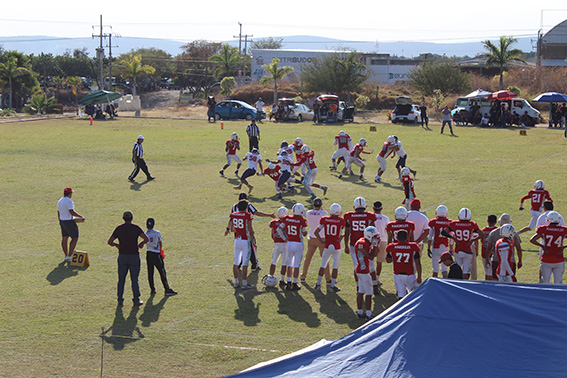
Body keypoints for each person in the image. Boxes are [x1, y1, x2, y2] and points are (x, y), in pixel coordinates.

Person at [108, 211, 149, 306]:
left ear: (123, 218)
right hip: (134, 255)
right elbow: (146, 239)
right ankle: (136, 299)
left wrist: (116, 245)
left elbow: (110, 241)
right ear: (132, 218)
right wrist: (141, 244)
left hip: (122, 255)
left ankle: (120, 299)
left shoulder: (119, 229)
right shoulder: (135, 228)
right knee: (134, 279)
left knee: (121, 279)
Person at [344, 197, 380, 293]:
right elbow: (374, 231)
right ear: (365, 206)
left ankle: (358, 287)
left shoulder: (349, 216)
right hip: (367, 243)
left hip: (354, 245)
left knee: (357, 265)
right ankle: (375, 285)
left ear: (354, 207)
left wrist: (346, 245)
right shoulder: (369, 216)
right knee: (371, 265)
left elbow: (347, 232)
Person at [231, 192, 274, 271]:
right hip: (246, 231)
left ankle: (238, 264)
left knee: (239, 248)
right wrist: (269, 215)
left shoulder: (234, 207)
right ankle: (254, 264)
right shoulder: (248, 206)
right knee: (252, 247)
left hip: (237, 231)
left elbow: (231, 219)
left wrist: (230, 229)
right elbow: (257, 213)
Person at [441, 208, 483, 280]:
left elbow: (443, 232)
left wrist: (453, 238)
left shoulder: (454, 224)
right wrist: (472, 240)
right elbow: (482, 234)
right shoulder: (472, 224)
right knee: (466, 274)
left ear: (459, 216)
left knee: (457, 271)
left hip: (458, 250)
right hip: (468, 251)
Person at [314, 203, 345, 292]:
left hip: (327, 245)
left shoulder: (325, 219)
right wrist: (341, 237)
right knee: (335, 267)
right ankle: (332, 286)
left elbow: (316, 232)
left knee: (323, 265)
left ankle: (318, 284)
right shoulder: (341, 221)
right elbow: (343, 232)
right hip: (336, 246)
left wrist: (321, 241)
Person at [530, 211, 567, 284]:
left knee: (546, 282)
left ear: (548, 220)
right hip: (559, 259)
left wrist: (542, 246)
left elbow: (532, 240)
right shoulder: (563, 229)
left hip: (546, 259)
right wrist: (563, 247)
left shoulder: (544, 229)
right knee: (558, 283)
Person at [225, 200, 255, 289]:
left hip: (237, 239)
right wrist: (252, 241)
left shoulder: (234, 214)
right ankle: (244, 284)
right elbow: (250, 230)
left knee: (236, 262)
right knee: (245, 263)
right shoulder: (248, 215)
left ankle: (236, 282)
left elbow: (233, 229)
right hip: (245, 240)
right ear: (246, 207)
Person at [278, 203, 308, 290]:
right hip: (298, 243)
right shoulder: (301, 220)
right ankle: (294, 283)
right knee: (296, 265)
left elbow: (279, 229)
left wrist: (284, 238)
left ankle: (288, 282)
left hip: (289, 243)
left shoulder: (287, 218)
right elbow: (304, 232)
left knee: (289, 264)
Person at [301, 198, 331, 284]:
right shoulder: (324, 213)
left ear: (313, 205)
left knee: (307, 258)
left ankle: (303, 276)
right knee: (325, 259)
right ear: (321, 205)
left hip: (311, 238)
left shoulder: (308, 213)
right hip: (321, 238)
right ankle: (328, 279)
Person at [486, 213, 523, 282]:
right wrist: (511, 274)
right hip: (505, 268)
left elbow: (489, 248)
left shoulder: (495, 234)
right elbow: (505, 261)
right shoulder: (504, 243)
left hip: (497, 262)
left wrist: (487, 259)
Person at [145, 217, 177, 296]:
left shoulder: (145, 233)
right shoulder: (157, 233)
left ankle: (152, 289)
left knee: (150, 272)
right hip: (156, 253)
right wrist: (160, 252)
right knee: (162, 271)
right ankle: (166, 289)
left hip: (149, 253)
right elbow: (160, 243)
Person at [386, 230, 422, 299]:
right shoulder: (413, 246)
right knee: (412, 296)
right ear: (407, 237)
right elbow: (418, 263)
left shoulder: (392, 247)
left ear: (397, 238)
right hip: (410, 275)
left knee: (401, 297)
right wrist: (419, 276)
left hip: (398, 275)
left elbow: (388, 260)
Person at [355, 226, 380, 320]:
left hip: (362, 270)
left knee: (361, 291)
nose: (376, 238)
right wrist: (374, 245)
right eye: (374, 237)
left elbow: (375, 253)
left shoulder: (364, 241)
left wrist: (375, 246)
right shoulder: (362, 244)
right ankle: (368, 314)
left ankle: (360, 312)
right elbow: (371, 257)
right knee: (369, 293)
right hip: (363, 271)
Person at [57, 187, 84, 261]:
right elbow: (71, 211)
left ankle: (66, 255)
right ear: (69, 194)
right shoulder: (69, 201)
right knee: (75, 237)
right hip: (69, 221)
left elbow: (58, 212)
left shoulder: (60, 200)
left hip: (62, 221)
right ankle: (70, 254)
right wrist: (80, 216)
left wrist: (60, 220)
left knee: (65, 237)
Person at [427, 205, 452, 278]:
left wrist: (428, 248)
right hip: (445, 247)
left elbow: (430, 237)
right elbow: (451, 238)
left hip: (436, 247)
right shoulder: (449, 222)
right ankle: (445, 286)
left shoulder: (433, 222)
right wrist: (451, 248)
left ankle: (434, 287)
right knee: (444, 270)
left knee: (435, 270)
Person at [270, 207, 289, 289]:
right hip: (285, 244)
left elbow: (272, 235)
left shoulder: (273, 222)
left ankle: (270, 277)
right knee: (284, 263)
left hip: (277, 244)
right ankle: (282, 280)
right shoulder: (287, 223)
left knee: (274, 262)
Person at [372, 201, 390, 286]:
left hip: (372, 240)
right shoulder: (385, 218)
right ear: (381, 208)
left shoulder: (371, 217)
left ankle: (371, 278)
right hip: (382, 240)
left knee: (370, 260)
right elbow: (388, 230)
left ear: (373, 209)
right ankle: (377, 278)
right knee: (379, 262)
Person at [480, 215, 498, 280]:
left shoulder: (483, 231)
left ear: (487, 221)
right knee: (492, 274)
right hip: (493, 254)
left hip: (484, 253)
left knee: (487, 273)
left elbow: (482, 241)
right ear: (496, 222)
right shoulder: (496, 231)